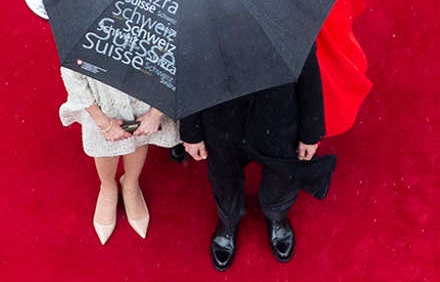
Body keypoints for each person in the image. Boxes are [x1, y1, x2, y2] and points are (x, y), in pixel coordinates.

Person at [180, 44, 329, 270]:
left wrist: (311, 132)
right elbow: (191, 77)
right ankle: (228, 220)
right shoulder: (203, 20)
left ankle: (276, 213)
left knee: (281, 177)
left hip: (278, 119)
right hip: (222, 123)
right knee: (224, 178)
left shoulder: (287, 20)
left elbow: (309, 77)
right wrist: (191, 131)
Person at [59, 67, 179, 242]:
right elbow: (72, 74)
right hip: (99, 97)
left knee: (140, 138)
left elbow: (172, 65)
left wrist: (155, 113)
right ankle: (107, 187)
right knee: (103, 146)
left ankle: (130, 183)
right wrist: (103, 122)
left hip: (143, 88)